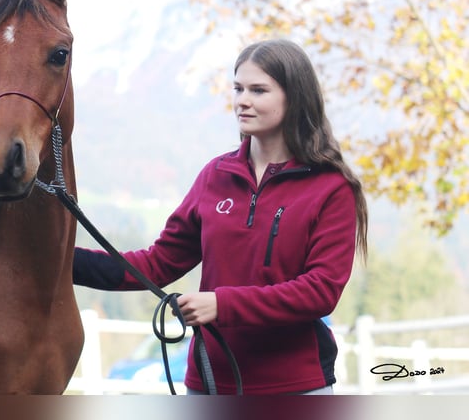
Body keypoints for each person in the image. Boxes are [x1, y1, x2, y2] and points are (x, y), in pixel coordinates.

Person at [73, 38, 368, 395]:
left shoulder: (331, 188)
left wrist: (221, 304)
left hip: (295, 387)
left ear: (295, 98)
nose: (242, 100)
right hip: (210, 384)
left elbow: (320, 291)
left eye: (259, 90)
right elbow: (156, 264)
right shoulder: (216, 175)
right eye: (238, 88)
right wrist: (59, 263)